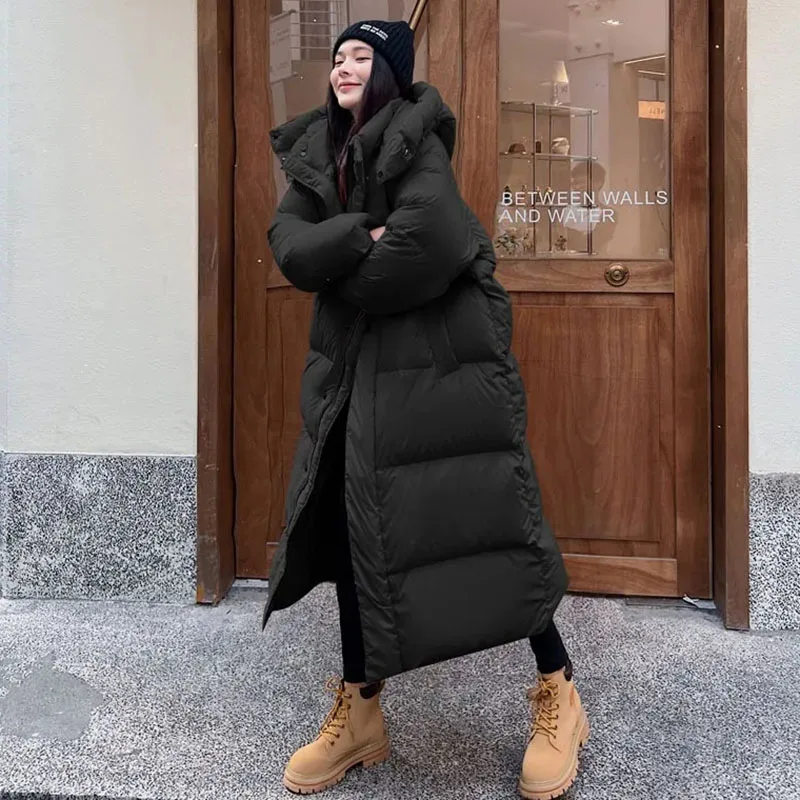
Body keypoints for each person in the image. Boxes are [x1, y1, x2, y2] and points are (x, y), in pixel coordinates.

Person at [263, 19, 590, 800]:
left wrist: (341, 264)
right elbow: (288, 245)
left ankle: (561, 692)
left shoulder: (419, 137)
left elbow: (427, 244)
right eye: (338, 55)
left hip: (440, 374)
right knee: (346, 533)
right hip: (353, 376)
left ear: (388, 73)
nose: (344, 65)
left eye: (361, 55)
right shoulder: (317, 153)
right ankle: (362, 712)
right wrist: (355, 236)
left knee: (486, 529)